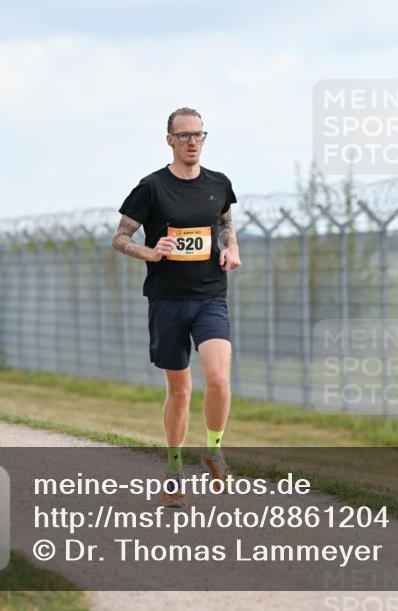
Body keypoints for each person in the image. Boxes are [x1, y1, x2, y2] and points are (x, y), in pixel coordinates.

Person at [112, 107, 241, 508]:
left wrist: (232, 246)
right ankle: (173, 470)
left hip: (209, 296)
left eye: (198, 135)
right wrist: (149, 252)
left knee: (218, 379)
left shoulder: (218, 183)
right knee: (180, 391)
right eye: (184, 135)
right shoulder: (151, 187)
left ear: (204, 139)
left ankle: (214, 451)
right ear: (169, 140)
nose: (191, 141)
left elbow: (225, 222)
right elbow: (119, 237)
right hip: (167, 300)